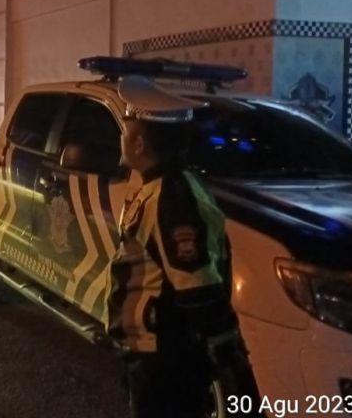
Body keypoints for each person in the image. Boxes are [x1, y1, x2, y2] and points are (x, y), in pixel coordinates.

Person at [109, 75, 259, 418]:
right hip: (154, 352)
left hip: (166, 357)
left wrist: (226, 352)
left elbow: (196, 284)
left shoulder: (172, 198)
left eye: (125, 130)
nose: (121, 137)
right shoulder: (165, 186)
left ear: (139, 144)